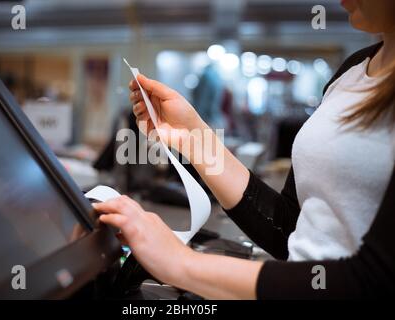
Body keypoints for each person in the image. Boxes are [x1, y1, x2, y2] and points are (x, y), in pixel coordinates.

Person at [94, 0, 395, 299]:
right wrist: (193, 137)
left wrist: (180, 263)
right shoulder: (353, 69)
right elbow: (289, 228)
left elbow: (370, 280)